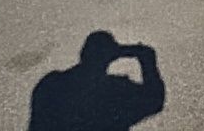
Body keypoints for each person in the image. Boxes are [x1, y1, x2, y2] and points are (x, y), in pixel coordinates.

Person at [28, 31, 165, 131]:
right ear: (112, 57)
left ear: (83, 53)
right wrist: (147, 59)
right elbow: (155, 100)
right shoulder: (114, 92)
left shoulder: (51, 85)